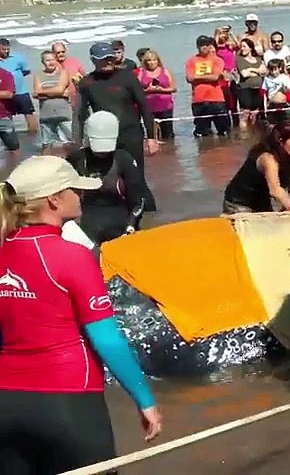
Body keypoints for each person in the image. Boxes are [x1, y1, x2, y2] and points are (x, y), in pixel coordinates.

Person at [0, 156, 161, 471]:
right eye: (75, 189)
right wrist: (145, 400)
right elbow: (107, 340)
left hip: (5, 403)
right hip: (68, 401)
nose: (82, 195)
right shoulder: (73, 257)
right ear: (54, 200)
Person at [76, 42, 159, 204]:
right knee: (109, 178)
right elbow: (80, 115)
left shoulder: (127, 77)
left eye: (110, 58)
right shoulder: (87, 82)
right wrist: (79, 142)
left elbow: (144, 106)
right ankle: (120, 212)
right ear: (93, 60)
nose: (108, 62)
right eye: (104, 59)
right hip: (102, 140)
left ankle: (148, 213)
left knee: (136, 178)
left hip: (131, 135)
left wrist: (151, 138)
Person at [65, 112, 147, 246]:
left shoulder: (124, 159)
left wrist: (131, 225)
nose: (102, 153)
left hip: (121, 225)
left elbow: (139, 200)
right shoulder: (76, 159)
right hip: (87, 225)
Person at [222, 122, 290, 213]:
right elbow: (275, 190)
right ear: (280, 140)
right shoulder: (268, 158)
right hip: (239, 203)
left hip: (261, 201)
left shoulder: (288, 156)